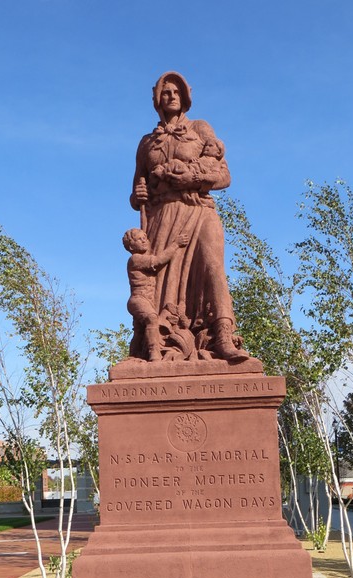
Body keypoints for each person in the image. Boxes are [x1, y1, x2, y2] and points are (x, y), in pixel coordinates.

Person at [129, 71, 248, 363]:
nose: (171, 96)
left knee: (212, 268)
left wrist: (191, 176)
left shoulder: (200, 129)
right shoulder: (146, 143)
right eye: (166, 92)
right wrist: (139, 194)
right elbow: (135, 194)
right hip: (162, 218)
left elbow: (224, 176)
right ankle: (161, 342)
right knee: (160, 286)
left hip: (198, 210)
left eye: (176, 92)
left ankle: (222, 337)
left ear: (185, 97)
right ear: (157, 99)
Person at [122, 227, 189, 361]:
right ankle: (154, 353)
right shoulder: (135, 259)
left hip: (147, 300)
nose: (144, 241)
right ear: (130, 246)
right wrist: (176, 244)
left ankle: (134, 355)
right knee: (152, 318)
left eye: (144, 238)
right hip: (138, 299)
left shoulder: (142, 257)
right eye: (138, 239)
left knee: (140, 331)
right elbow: (158, 261)